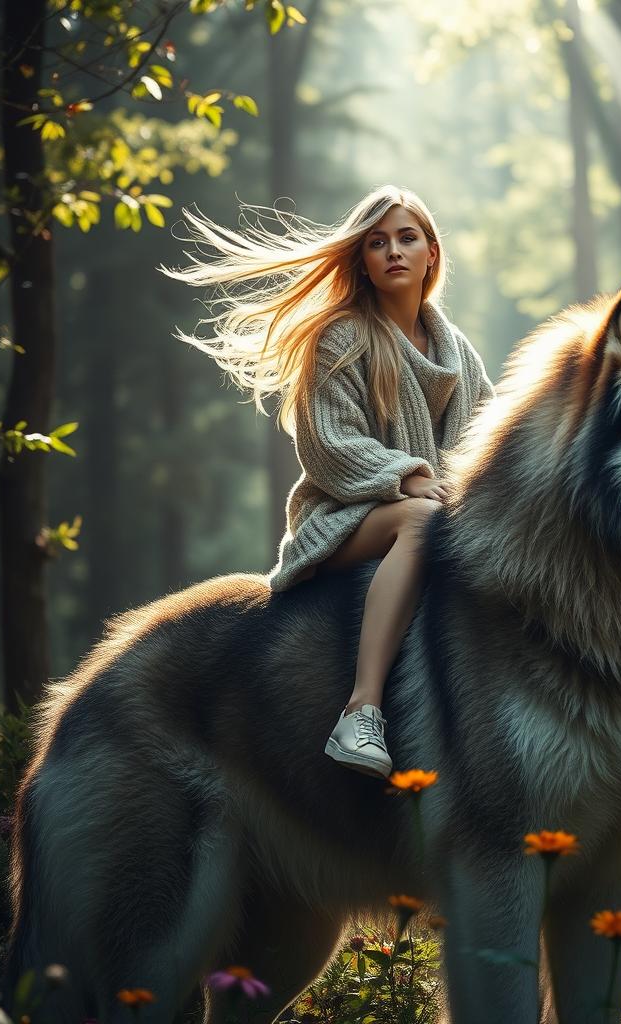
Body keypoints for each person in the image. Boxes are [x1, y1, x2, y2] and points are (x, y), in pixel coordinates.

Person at [160, 185, 495, 778]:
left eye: (407, 238)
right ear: (362, 261)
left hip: (437, 512)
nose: (393, 251)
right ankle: (362, 710)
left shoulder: (459, 354)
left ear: (431, 254)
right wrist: (409, 477)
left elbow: (485, 442)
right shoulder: (341, 336)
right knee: (420, 521)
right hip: (345, 517)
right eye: (377, 242)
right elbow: (327, 445)